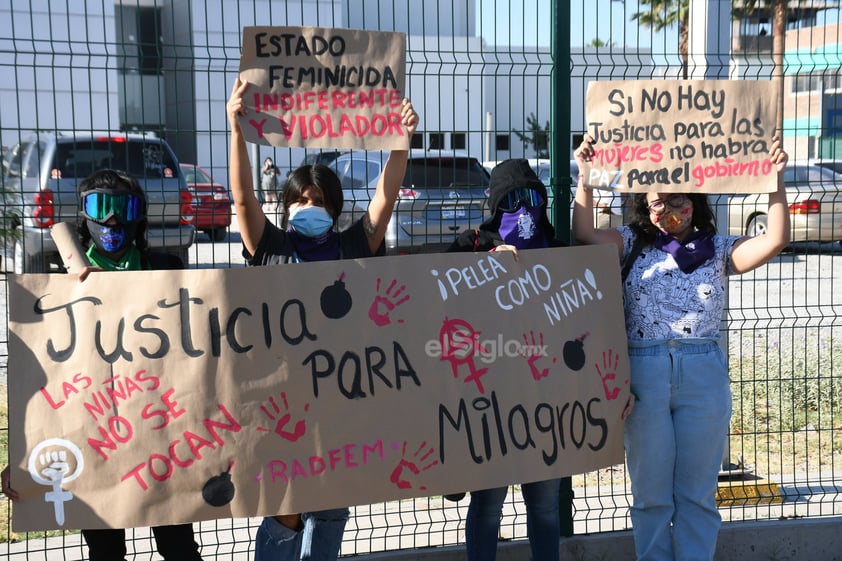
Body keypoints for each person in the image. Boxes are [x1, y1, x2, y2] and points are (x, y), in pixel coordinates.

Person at [572, 135, 790, 561]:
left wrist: (775, 180)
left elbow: (775, 239)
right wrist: (586, 175)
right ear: (643, 206)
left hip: (702, 375)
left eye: (678, 200)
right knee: (651, 495)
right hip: (645, 374)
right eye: (657, 203)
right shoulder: (631, 243)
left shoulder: (718, 249)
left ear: (694, 199)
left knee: (696, 497)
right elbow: (582, 231)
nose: (669, 211)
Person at [227, 77, 418, 561]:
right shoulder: (270, 247)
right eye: (300, 199)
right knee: (286, 511)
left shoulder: (353, 247)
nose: (309, 208)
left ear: (334, 209)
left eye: (319, 201)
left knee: (330, 511)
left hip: (340, 407)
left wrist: (401, 142)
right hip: (283, 408)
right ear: (287, 204)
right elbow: (244, 199)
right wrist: (235, 130)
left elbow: (385, 199)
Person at [2, 169, 204, 561]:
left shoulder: (165, 269)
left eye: (121, 208)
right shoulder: (55, 288)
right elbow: (40, 381)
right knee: (106, 552)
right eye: (100, 206)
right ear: (84, 215)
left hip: (163, 432)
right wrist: (24, 459)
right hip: (93, 437)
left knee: (179, 547)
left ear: (138, 216)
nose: (111, 220)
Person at [447, 158, 565, 561]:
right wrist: (485, 266)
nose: (523, 209)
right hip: (490, 402)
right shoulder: (471, 245)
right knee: (487, 504)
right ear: (495, 205)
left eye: (531, 198)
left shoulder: (559, 250)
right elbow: (436, 296)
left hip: (545, 397)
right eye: (511, 201)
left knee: (545, 504)